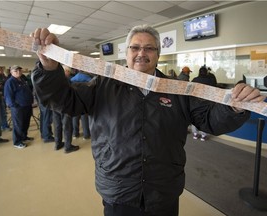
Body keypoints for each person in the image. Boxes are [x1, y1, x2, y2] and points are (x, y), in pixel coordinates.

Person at [31, 25, 265, 216]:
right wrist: (49, 69)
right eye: (135, 47)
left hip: (163, 191)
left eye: (149, 48)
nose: (141, 53)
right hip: (118, 190)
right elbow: (64, 100)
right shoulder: (103, 85)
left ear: (157, 54)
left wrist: (234, 108)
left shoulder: (179, 90)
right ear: (127, 53)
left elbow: (209, 120)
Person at [4, 65, 34, 149]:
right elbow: (8, 96)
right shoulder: (10, 82)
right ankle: (17, 142)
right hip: (18, 107)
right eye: (15, 71)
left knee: (25, 122)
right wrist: (14, 105)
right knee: (18, 124)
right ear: (11, 72)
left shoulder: (22, 80)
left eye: (19, 70)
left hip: (27, 105)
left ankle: (24, 137)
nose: (18, 72)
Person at [51, 65, 79, 153]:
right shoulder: (66, 80)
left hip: (54, 106)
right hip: (65, 106)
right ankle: (68, 147)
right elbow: (71, 92)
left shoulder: (53, 79)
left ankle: (58, 144)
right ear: (66, 71)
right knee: (67, 126)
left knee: (57, 125)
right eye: (68, 72)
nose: (69, 73)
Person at [191, 66, 217, 141]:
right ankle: (203, 135)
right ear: (206, 72)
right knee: (205, 118)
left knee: (194, 116)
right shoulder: (210, 80)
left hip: (195, 102)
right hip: (207, 102)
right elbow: (214, 88)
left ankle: (195, 134)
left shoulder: (195, 79)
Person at [70, 70, 92, 139]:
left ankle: (75, 134)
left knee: (75, 117)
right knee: (84, 117)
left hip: (75, 100)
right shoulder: (88, 78)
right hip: (84, 100)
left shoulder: (73, 78)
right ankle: (86, 135)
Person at [0, 67, 11, 131]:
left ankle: (5, 126)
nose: (0, 71)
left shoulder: (3, 77)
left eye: (1, 70)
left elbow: (6, 84)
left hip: (2, 96)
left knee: (3, 113)